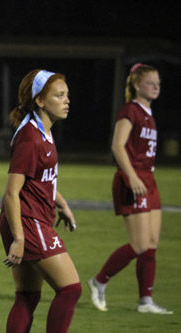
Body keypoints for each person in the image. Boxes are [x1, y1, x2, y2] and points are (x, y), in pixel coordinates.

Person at [0, 69, 84, 333]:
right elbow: (11, 192)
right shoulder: (31, 137)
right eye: (60, 95)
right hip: (26, 221)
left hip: (31, 218)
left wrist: (60, 202)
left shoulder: (43, 130)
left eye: (67, 94)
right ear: (40, 100)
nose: (67, 101)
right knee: (71, 288)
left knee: (28, 295)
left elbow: (42, 178)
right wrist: (19, 237)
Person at [87, 63, 172, 314]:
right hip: (132, 179)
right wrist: (132, 177)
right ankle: (99, 281)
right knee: (139, 244)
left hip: (149, 179)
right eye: (150, 82)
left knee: (152, 243)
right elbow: (117, 145)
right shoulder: (130, 110)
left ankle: (145, 301)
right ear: (136, 85)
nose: (156, 86)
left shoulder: (148, 112)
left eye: (158, 82)